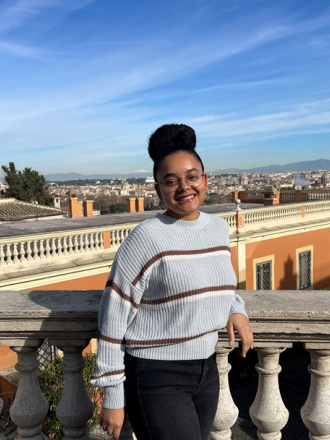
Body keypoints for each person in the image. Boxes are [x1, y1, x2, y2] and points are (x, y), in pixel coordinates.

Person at [91, 124, 253, 440]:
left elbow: (218, 280)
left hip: (207, 371)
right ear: (158, 190)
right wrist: (112, 393)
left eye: (192, 176)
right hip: (156, 375)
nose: (184, 187)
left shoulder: (218, 229)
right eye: (171, 181)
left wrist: (236, 309)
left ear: (205, 180)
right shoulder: (146, 238)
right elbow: (112, 317)